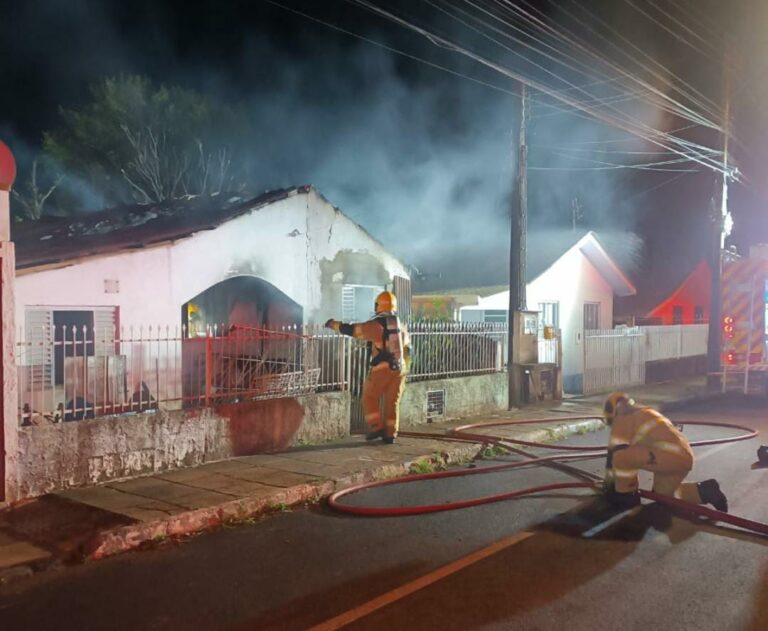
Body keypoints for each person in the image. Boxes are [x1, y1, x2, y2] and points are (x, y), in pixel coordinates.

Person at [602, 392, 728, 512]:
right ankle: (705, 491)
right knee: (662, 496)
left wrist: (611, 486)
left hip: (667, 455)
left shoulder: (622, 418)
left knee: (622, 457)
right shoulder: (645, 412)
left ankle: (627, 496)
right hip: (681, 457)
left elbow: (615, 454)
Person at [325, 291, 410, 444]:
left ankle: (375, 427)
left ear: (378, 305)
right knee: (393, 402)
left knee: (369, 397)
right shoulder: (400, 325)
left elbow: (353, 330)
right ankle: (391, 434)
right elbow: (406, 347)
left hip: (382, 369)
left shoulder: (376, 325)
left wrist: (333, 324)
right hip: (400, 370)